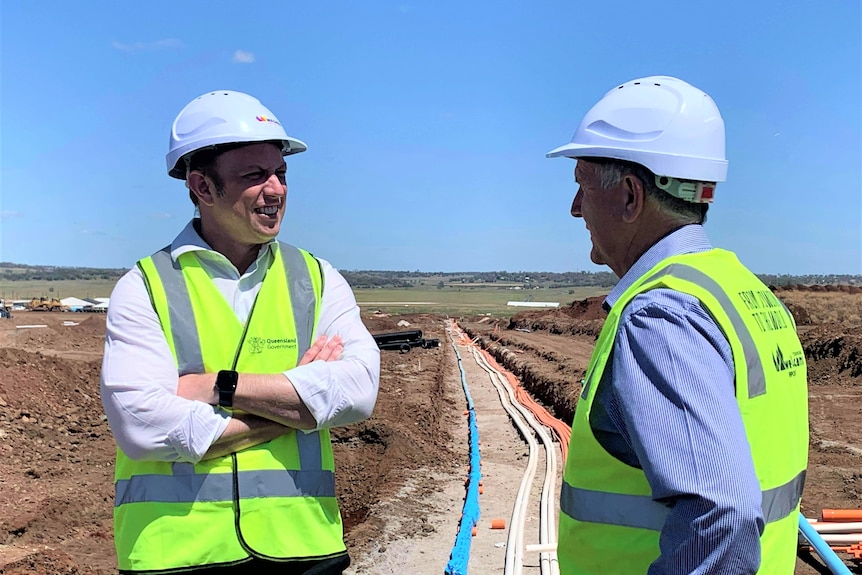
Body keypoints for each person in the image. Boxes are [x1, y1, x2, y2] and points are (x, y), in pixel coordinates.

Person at [100, 90, 380, 574]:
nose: (276, 190)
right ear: (202, 187)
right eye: (254, 175)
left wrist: (217, 386)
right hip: (178, 554)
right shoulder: (145, 287)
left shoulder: (315, 278)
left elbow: (357, 393)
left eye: (281, 173)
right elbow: (143, 426)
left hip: (303, 547)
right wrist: (298, 407)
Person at [546, 76, 809, 574]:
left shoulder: (662, 314)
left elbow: (722, 520)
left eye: (581, 185)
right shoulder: (743, 291)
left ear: (629, 196)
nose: (575, 208)